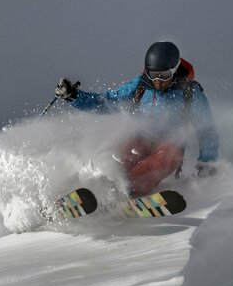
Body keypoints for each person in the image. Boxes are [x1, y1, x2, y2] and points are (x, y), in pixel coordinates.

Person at [55, 41, 219, 196]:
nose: (158, 81)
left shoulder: (190, 93)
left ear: (175, 70)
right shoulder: (141, 85)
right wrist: (74, 96)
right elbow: (107, 101)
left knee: (161, 161)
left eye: (164, 75)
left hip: (170, 146)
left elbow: (206, 130)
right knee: (123, 157)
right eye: (153, 74)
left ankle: (126, 192)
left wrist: (207, 163)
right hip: (141, 138)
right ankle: (100, 189)